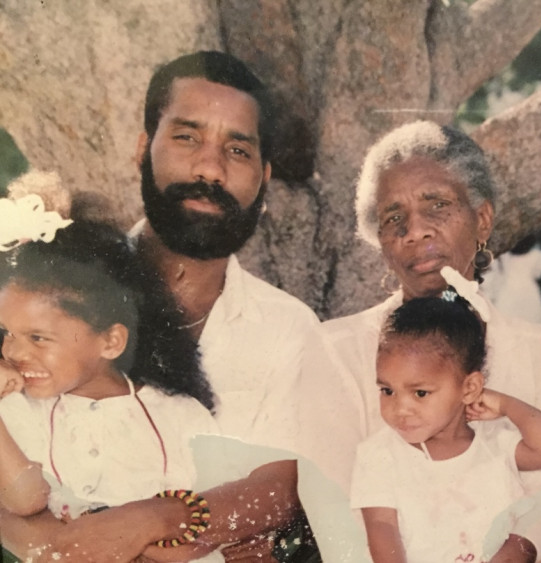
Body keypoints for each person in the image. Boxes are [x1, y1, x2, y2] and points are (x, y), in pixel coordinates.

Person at [0, 51, 319, 562]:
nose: (210, 168)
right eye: (187, 137)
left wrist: (148, 521)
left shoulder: (289, 330)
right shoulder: (48, 295)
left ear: (263, 177)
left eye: (237, 150)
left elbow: (282, 487)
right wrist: (50, 545)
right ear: (143, 148)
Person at [297, 120, 541, 562]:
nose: (415, 231)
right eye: (394, 218)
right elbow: (334, 509)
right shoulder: (336, 351)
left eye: (437, 206)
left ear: (482, 219)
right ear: (381, 241)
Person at [0, 207, 220, 560]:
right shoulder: (17, 409)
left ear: (110, 342)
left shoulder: (180, 416)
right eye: (7, 333)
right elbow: (24, 499)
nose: (13, 351)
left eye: (38, 338)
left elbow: (211, 524)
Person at [351, 269, 541, 562]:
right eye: (387, 391)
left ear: (470, 388)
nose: (400, 409)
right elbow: (381, 528)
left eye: (420, 393)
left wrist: (504, 404)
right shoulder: (380, 454)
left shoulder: (493, 443)